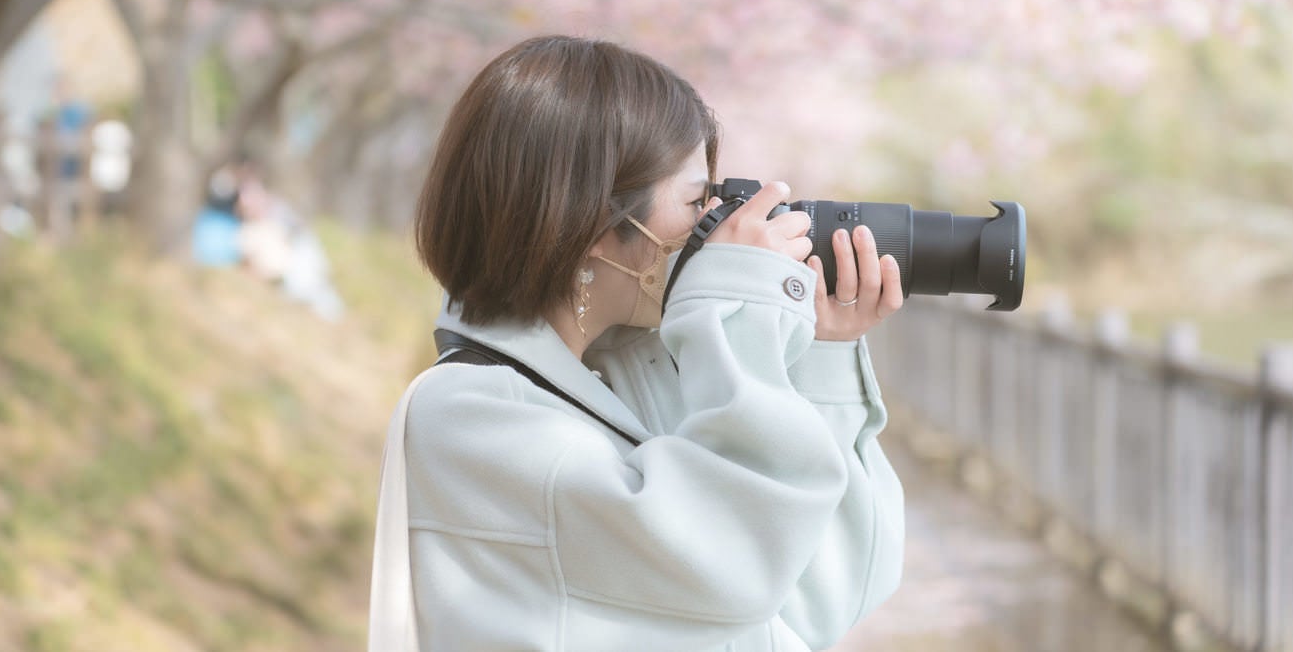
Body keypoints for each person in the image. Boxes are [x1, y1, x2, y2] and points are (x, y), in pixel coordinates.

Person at [369, 36, 906, 652]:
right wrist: (737, 311)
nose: (714, 229)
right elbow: (738, 561)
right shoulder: (473, 417)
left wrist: (822, 357)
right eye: (695, 203)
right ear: (597, 224)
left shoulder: (603, 378)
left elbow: (810, 605)